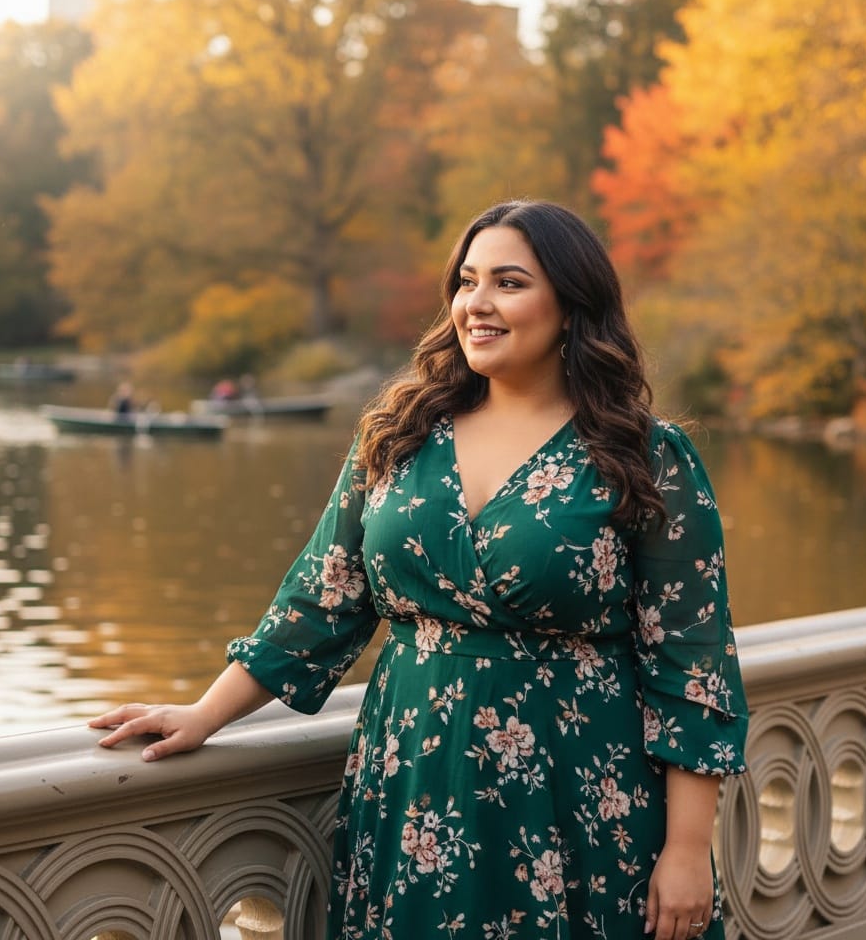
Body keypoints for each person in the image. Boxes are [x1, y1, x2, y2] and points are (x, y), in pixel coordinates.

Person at [90, 200, 749, 940]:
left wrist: (690, 849)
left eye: (508, 282)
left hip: (582, 796)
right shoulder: (398, 437)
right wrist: (204, 713)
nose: (477, 303)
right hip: (414, 794)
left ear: (571, 306)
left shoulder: (642, 455)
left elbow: (693, 665)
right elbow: (321, 598)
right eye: (466, 282)